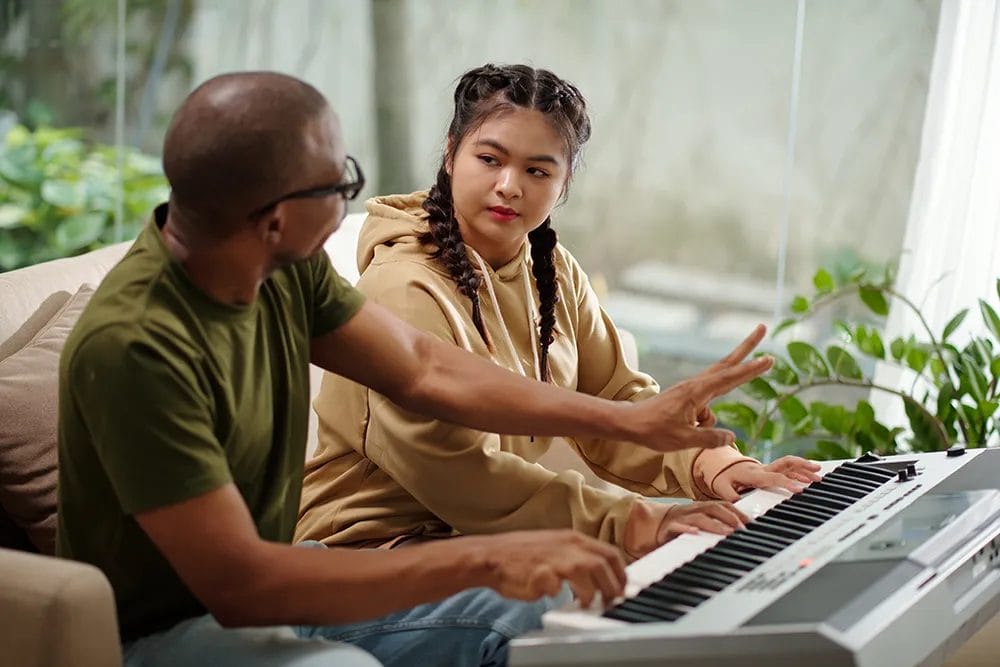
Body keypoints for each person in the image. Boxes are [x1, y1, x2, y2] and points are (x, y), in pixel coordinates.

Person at [57, 71, 776, 667]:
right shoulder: (136, 348)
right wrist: (490, 561)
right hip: (161, 632)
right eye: (336, 183)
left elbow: (428, 369)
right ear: (274, 215)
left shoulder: (281, 267)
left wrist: (631, 421)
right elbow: (245, 584)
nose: (349, 200)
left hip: (274, 580)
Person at [297, 64, 821, 561]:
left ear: (564, 183)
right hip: (370, 549)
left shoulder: (552, 270)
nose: (510, 185)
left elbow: (615, 398)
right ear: (451, 153)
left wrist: (718, 466)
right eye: (490, 159)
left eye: (537, 170)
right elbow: (460, 474)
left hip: (484, 540)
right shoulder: (403, 285)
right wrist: (634, 524)